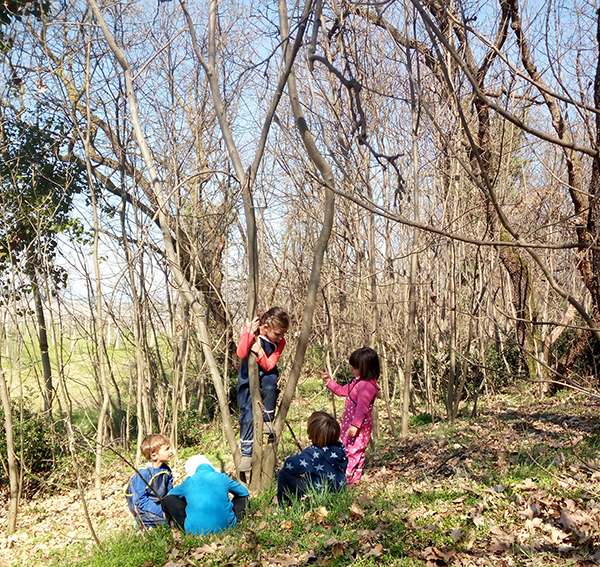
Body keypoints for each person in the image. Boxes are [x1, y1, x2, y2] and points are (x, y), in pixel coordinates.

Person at [237, 307, 290, 471]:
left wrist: (260, 352)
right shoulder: (253, 333)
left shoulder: (280, 343)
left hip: (267, 374)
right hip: (248, 379)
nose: (280, 337)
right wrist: (249, 333)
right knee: (247, 415)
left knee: (270, 387)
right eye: (278, 333)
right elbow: (241, 353)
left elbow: (269, 365)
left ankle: (268, 419)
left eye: (282, 334)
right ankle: (246, 453)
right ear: (266, 327)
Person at [322, 347, 380, 486]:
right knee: (354, 450)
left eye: (355, 367)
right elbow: (343, 391)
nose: (352, 370)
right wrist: (329, 381)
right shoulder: (357, 382)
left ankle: (346, 480)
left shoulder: (366, 387)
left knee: (352, 451)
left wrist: (355, 425)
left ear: (366, 368)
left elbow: (362, 409)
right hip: (351, 424)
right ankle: (354, 480)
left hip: (358, 426)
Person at [161, 454, 250, 535]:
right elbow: (244, 492)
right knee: (244, 499)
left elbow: (169, 497)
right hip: (228, 527)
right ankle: (229, 520)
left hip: (194, 532)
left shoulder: (188, 482)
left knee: (168, 501)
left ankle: (178, 525)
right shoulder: (222, 477)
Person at [277, 411, 348, 506]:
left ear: (311, 436)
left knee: (284, 474)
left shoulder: (312, 454)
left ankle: (283, 506)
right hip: (336, 498)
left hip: (316, 498)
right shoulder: (340, 452)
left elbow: (289, 465)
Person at [125, 433, 173, 528]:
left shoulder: (166, 470)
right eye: (167, 449)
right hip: (144, 510)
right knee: (167, 523)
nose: (171, 451)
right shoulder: (143, 474)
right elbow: (140, 501)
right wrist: (161, 512)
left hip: (160, 506)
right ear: (154, 455)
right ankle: (141, 524)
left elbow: (170, 493)